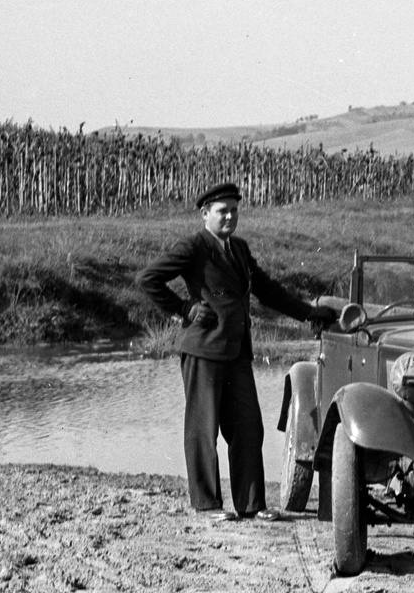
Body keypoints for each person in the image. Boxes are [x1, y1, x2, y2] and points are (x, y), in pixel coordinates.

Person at [137, 183, 330, 520]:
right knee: (203, 429)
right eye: (222, 211)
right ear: (205, 214)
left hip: (237, 351)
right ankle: (207, 504)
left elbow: (267, 290)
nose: (229, 216)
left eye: (234, 211)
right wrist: (185, 308)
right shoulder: (193, 247)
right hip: (203, 349)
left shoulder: (238, 248)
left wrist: (308, 312)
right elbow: (148, 278)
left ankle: (253, 505)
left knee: (248, 427)